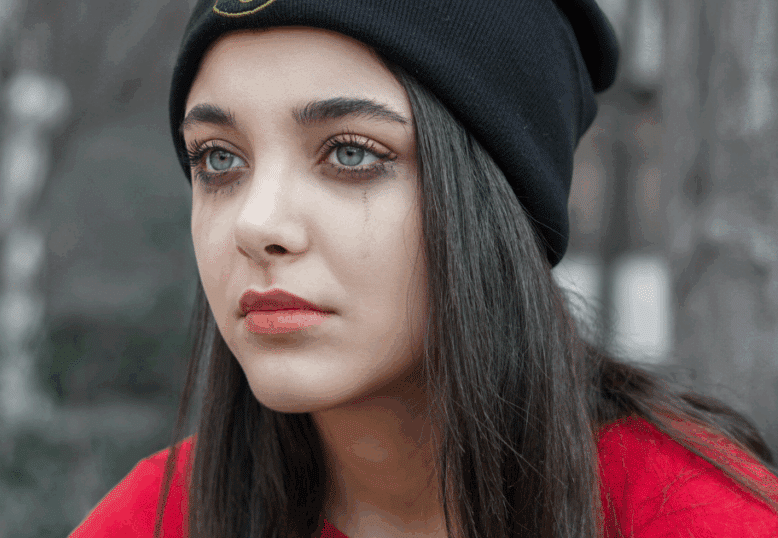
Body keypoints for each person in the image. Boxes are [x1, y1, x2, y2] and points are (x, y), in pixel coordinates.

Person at [70, 0, 778, 536]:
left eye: (350, 153)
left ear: (498, 199)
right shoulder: (154, 519)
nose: (257, 225)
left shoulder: (696, 516)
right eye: (219, 158)